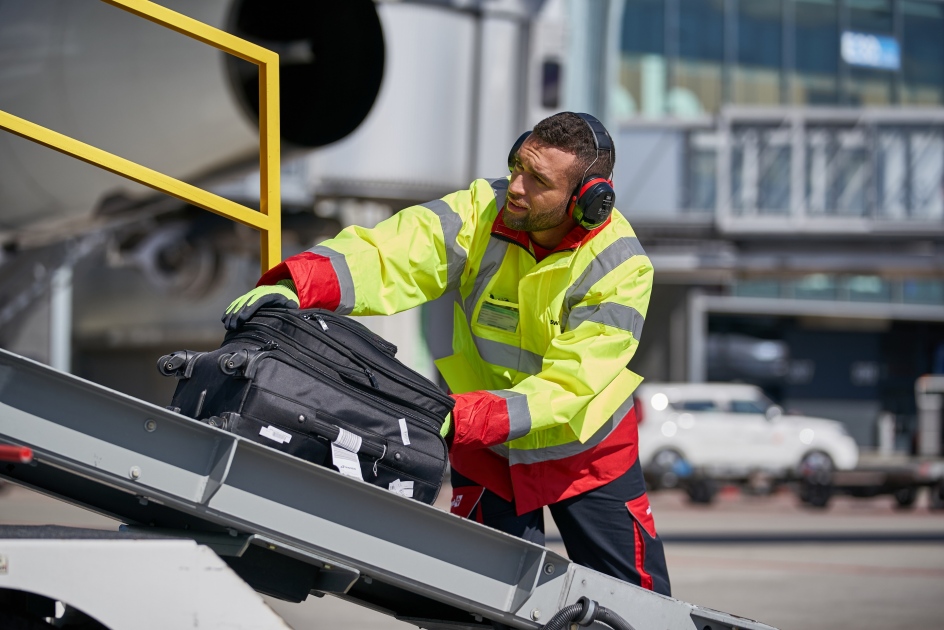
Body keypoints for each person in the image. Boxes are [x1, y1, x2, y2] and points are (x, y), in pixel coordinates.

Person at [222, 112, 670, 596]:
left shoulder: (621, 267)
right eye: (517, 165)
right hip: (486, 449)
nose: (516, 186)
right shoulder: (483, 210)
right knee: (483, 602)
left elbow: (571, 384)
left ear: (586, 200)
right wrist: (299, 283)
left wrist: (464, 419)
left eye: (538, 180)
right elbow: (393, 252)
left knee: (636, 607)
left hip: (586, 455)